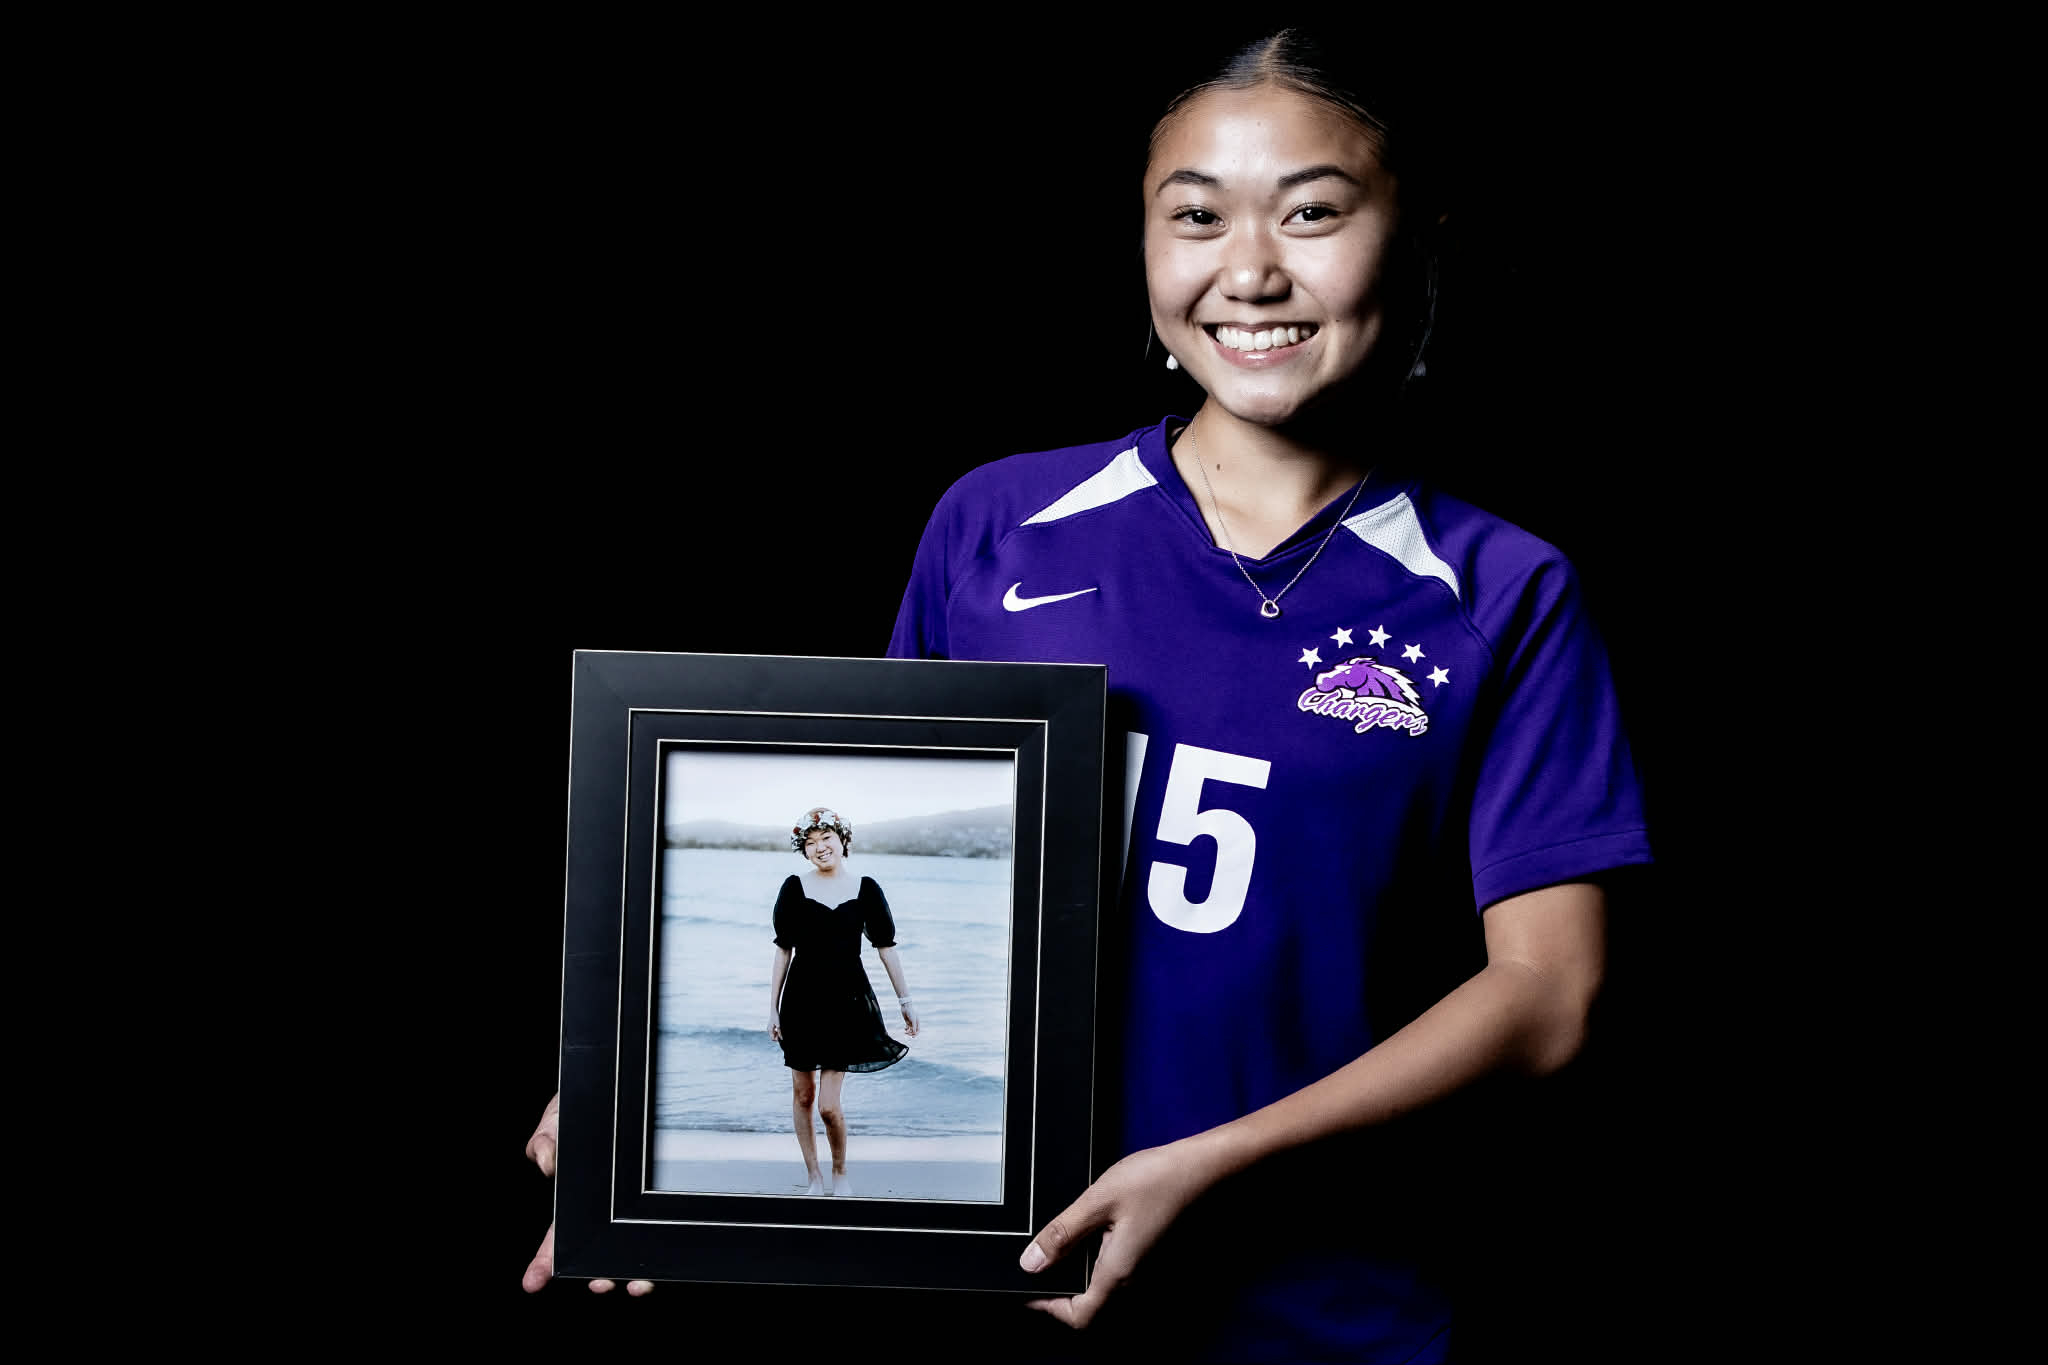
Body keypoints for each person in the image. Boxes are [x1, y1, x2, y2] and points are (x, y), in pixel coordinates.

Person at [526, 29, 1651, 1359]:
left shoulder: (1501, 590)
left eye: (1312, 212)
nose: (1250, 271)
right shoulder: (1001, 525)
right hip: (1005, 1291)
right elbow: (870, 843)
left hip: (1332, 1314)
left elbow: (1547, 998)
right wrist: (640, 1103)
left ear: (1413, 237)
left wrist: (1211, 1161)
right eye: (1195, 217)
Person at [768, 807, 919, 1197]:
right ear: (804, 851)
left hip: (846, 1004)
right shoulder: (794, 888)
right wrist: (772, 1007)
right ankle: (814, 1178)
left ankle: (840, 1172)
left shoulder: (866, 888)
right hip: (800, 1002)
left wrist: (906, 1000)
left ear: (843, 841)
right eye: (811, 843)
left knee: (828, 1106)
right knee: (803, 1094)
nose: (820, 848)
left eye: (827, 839)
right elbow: (784, 950)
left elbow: (886, 948)